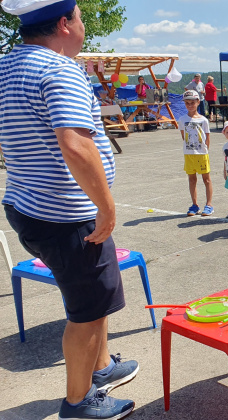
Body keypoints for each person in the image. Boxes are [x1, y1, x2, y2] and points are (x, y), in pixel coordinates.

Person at [0, 1, 138, 418]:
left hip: (27, 205)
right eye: (79, 19)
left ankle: (101, 368)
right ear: (64, 23)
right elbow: (76, 144)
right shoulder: (59, 69)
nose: (81, 26)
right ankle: (79, 401)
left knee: (95, 297)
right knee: (88, 310)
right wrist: (106, 206)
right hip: (67, 216)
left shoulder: (7, 67)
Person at [178, 90, 214, 217]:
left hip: (202, 154)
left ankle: (209, 205)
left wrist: (205, 151)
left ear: (198, 102)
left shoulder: (204, 120)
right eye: (187, 103)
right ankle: (194, 205)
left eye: (192, 102)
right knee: (192, 179)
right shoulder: (182, 119)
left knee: (206, 179)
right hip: (189, 154)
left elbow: (207, 137)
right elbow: (184, 136)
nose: (190, 105)